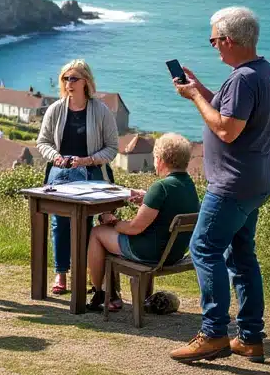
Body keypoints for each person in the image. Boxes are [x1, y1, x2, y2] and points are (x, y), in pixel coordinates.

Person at [169, 6, 270, 364]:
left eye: (214, 40)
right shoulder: (263, 72)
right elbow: (232, 110)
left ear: (230, 40)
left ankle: (214, 333)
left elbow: (226, 128)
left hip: (232, 185)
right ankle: (250, 338)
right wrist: (199, 87)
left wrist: (195, 97)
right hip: (256, 181)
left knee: (202, 247)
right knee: (241, 255)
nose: (214, 46)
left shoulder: (242, 79)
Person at [85, 133, 200, 311]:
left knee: (97, 233)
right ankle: (108, 292)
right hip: (172, 254)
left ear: (161, 160)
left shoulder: (160, 187)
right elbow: (168, 207)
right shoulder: (188, 186)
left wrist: (114, 222)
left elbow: (134, 228)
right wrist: (148, 198)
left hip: (149, 253)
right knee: (108, 231)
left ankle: (99, 291)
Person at [34, 59, 120, 296]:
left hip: (92, 174)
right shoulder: (56, 109)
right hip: (60, 172)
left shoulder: (101, 111)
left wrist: (88, 160)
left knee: (86, 224)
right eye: (65, 78)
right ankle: (61, 273)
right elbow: (43, 142)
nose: (68, 83)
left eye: (73, 78)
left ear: (86, 82)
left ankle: (87, 275)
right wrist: (56, 156)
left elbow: (112, 148)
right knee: (59, 224)